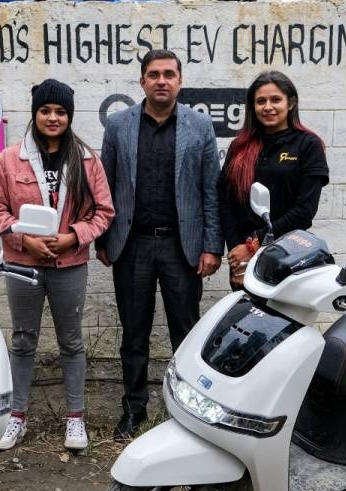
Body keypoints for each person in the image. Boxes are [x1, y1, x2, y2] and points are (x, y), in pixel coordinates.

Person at [95, 49, 223, 441]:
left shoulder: (200, 126)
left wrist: (211, 245)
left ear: (180, 81)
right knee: (134, 334)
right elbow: (104, 186)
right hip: (132, 246)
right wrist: (102, 238)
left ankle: (186, 413)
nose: (161, 81)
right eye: (154, 74)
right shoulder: (118, 125)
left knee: (186, 334)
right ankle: (133, 410)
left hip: (181, 248)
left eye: (169, 74)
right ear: (142, 82)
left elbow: (211, 191)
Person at [0, 79, 115, 451]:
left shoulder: (87, 160)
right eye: (45, 111)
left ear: (69, 116)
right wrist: (24, 240)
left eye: (60, 112)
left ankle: (75, 418)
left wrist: (74, 236)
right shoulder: (9, 160)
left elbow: (104, 212)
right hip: (22, 265)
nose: (52, 118)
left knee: (71, 342)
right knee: (23, 340)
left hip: (70, 265)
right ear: (35, 114)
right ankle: (17, 416)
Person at [218, 70, 330, 290]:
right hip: (244, 259)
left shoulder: (308, 145)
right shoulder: (239, 147)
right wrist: (237, 254)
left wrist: (254, 244)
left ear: (291, 103)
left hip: (290, 256)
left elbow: (304, 211)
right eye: (261, 101)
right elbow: (225, 202)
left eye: (276, 100)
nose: (268, 107)